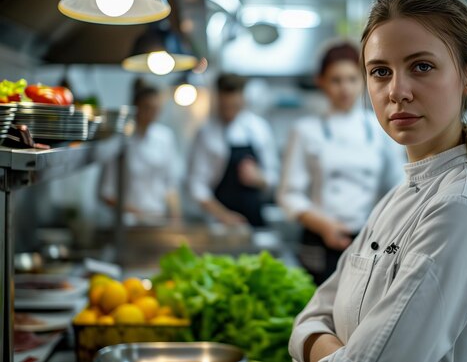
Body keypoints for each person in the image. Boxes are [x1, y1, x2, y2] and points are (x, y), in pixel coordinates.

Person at [289, 0, 467, 362]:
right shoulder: (401, 195)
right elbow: (309, 318)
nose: (397, 91)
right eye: (380, 71)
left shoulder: (458, 208)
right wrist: (321, 341)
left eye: (421, 66)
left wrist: (314, 342)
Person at [277, 42, 405, 285]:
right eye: (336, 80)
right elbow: (289, 194)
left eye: (352, 79)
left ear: (364, 81)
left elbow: (398, 186)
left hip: (370, 237)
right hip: (319, 238)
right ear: (321, 82)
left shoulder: (380, 128)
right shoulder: (305, 130)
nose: (344, 88)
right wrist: (324, 225)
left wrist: (381, 225)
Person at [188, 73, 279, 227]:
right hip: (219, 221)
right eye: (225, 107)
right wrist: (223, 215)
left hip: (254, 218)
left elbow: (274, 178)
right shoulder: (206, 133)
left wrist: (259, 178)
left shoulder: (259, 129)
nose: (229, 112)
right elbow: (196, 185)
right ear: (218, 100)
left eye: (234, 107)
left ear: (243, 99)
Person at [100, 80, 181, 222]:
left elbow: (170, 184)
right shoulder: (120, 140)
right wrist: (137, 213)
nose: (151, 114)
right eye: (147, 108)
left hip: (158, 219)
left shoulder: (165, 138)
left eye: (155, 109)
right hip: (128, 222)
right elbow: (106, 192)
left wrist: (176, 218)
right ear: (136, 108)